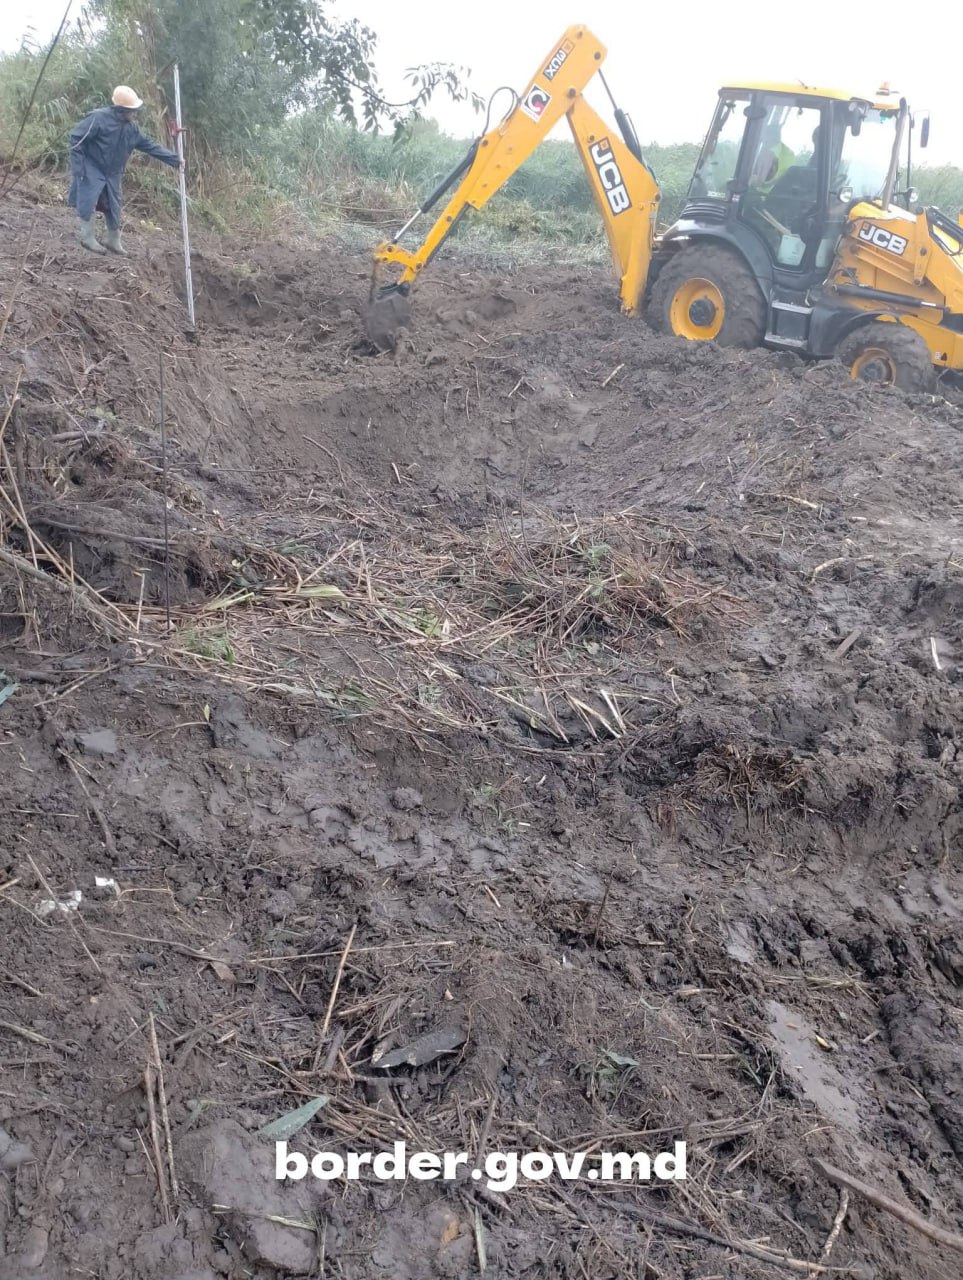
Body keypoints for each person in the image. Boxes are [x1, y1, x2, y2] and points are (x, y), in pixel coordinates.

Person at [68, 85, 181, 256]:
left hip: (113, 171)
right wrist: (79, 167)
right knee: (88, 199)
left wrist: (174, 160)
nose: (134, 113)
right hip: (92, 166)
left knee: (113, 203)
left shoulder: (131, 129)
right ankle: (87, 237)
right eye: (132, 110)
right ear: (121, 109)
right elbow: (76, 138)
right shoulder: (98, 118)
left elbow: (149, 145)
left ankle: (112, 240)